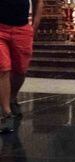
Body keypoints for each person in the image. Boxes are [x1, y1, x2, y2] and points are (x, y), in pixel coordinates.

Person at [0, 0, 43, 132]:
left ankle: (12, 98)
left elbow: (38, 2)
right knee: (3, 68)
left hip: (22, 29)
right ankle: (6, 113)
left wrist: (34, 26)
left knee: (20, 70)